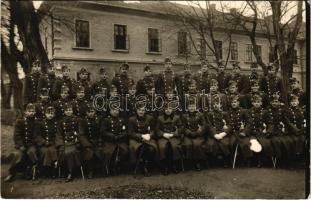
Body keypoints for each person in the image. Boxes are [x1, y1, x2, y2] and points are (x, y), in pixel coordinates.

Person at [5, 103, 38, 182]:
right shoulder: (20, 122)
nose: (31, 113)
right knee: (18, 155)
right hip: (22, 145)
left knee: (32, 152)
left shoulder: (36, 122)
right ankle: (11, 173)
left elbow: (36, 135)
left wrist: (32, 144)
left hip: (31, 144)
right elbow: (17, 135)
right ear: (25, 112)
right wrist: (21, 145)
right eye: (29, 111)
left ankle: (28, 171)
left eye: (33, 111)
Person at [128, 104, 157, 176]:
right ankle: (139, 165)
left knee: (151, 149)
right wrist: (141, 136)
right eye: (139, 110)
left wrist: (149, 135)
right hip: (136, 139)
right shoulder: (131, 119)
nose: (141, 112)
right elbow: (130, 133)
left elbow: (153, 130)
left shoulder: (150, 118)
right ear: (136, 111)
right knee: (136, 148)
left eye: (143, 110)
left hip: (148, 138)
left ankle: (146, 165)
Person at [78, 103, 106, 178]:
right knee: (89, 152)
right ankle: (90, 170)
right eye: (89, 112)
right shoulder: (83, 121)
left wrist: (100, 141)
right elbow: (81, 134)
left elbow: (102, 132)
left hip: (98, 141)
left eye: (92, 111)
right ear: (86, 113)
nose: (91, 113)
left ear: (95, 111)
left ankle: (103, 169)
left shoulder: (99, 119)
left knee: (102, 150)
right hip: (88, 142)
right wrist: (87, 144)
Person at [204, 94, 232, 167]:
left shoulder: (225, 113)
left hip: (222, 133)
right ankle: (213, 161)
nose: (216, 105)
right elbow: (209, 125)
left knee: (225, 143)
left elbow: (229, 125)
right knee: (211, 144)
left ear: (221, 105)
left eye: (218, 104)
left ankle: (226, 160)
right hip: (213, 133)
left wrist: (224, 133)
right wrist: (214, 134)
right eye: (215, 104)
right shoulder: (210, 114)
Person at [156, 102, 183, 175]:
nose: (168, 110)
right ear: (164, 109)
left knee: (175, 146)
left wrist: (174, 134)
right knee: (162, 147)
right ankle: (165, 167)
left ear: (172, 109)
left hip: (173, 136)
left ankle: (175, 165)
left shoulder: (176, 117)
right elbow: (157, 129)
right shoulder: (160, 118)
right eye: (166, 109)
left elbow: (180, 128)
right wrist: (163, 134)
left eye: (170, 109)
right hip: (163, 136)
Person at [56, 104, 82, 182]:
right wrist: (61, 144)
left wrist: (77, 139)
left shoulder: (77, 120)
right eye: (67, 110)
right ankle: (65, 172)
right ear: (64, 111)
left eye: (70, 110)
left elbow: (80, 132)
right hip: (65, 142)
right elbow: (59, 134)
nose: (68, 112)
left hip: (74, 141)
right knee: (62, 152)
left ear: (72, 111)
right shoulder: (61, 121)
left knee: (70, 152)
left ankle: (71, 173)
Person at [101, 106, 129, 175]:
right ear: (110, 111)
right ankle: (108, 168)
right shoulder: (106, 120)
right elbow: (103, 131)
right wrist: (113, 136)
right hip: (110, 141)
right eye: (113, 110)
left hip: (120, 140)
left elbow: (125, 131)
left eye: (117, 110)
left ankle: (118, 166)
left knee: (125, 151)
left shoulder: (122, 120)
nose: (115, 112)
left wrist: (121, 136)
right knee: (108, 153)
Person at [247, 94, 272, 167]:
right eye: (255, 102)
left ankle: (262, 160)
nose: (256, 103)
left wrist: (268, 131)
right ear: (252, 103)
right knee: (253, 143)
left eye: (258, 102)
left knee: (265, 143)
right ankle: (253, 160)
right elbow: (248, 123)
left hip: (262, 132)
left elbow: (270, 123)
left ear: (261, 103)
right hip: (252, 132)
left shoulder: (265, 112)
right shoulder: (248, 111)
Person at [226, 95, 251, 166]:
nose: (233, 104)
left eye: (235, 102)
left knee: (245, 144)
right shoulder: (228, 112)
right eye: (232, 102)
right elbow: (228, 123)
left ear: (238, 103)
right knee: (231, 144)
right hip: (232, 132)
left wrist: (244, 131)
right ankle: (231, 160)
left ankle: (245, 160)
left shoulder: (243, 111)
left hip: (241, 132)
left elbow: (249, 122)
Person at [35, 106, 60, 178]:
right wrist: (44, 142)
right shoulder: (41, 123)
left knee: (53, 150)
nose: (50, 115)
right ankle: (45, 170)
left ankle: (53, 170)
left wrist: (56, 143)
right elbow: (38, 135)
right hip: (44, 144)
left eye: (52, 113)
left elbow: (58, 135)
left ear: (54, 114)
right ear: (45, 114)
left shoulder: (56, 123)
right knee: (45, 151)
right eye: (48, 113)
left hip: (53, 143)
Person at [181, 101, 206, 171]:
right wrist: (189, 132)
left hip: (198, 134)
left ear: (195, 107)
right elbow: (183, 126)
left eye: (193, 106)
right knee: (188, 144)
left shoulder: (200, 115)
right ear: (187, 108)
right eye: (190, 106)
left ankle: (197, 162)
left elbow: (204, 125)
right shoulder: (184, 116)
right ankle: (189, 162)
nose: (191, 108)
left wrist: (198, 132)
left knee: (197, 145)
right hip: (188, 135)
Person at [284, 94, 306, 160]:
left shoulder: (301, 110)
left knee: (304, 139)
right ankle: (295, 157)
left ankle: (302, 156)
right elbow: (288, 123)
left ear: (298, 102)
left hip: (301, 131)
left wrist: (302, 129)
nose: (294, 103)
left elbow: (303, 121)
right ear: (290, 103)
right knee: (294, 140)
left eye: (295, 101)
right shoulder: (287, 111)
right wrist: (296, 130)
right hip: (292, 131)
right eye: (292, 101)